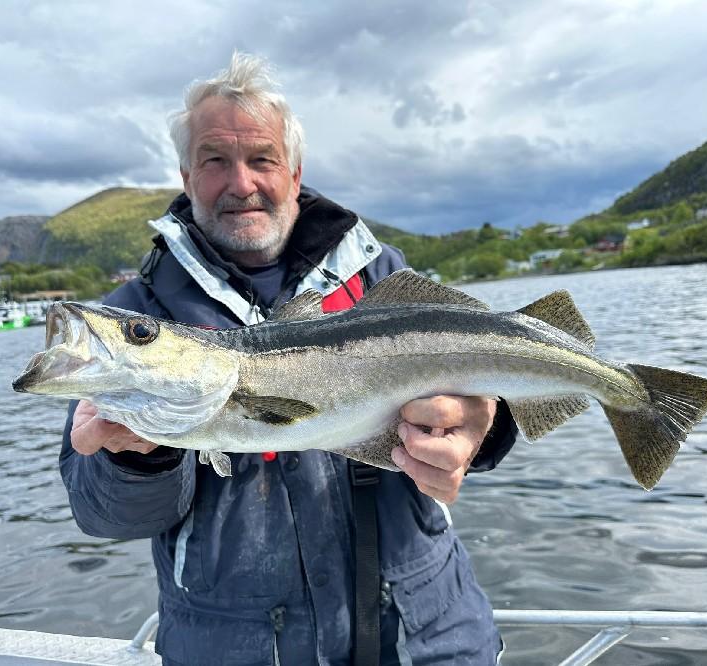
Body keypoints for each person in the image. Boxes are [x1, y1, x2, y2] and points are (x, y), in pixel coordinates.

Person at [59, 52, 517, 666]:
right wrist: (137, 456)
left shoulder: (381, 275)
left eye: (262, 159)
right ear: (186, 178)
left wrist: (486, 428)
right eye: (214, 161)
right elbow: (103, 516)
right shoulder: (133, 323)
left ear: (295, 174)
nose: (241, 184)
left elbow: (482, 392)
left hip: (430, 636)